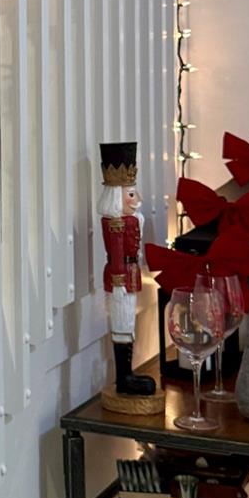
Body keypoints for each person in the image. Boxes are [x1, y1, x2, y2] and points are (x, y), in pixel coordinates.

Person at [100, 141, 155, 396]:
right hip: (122, 280)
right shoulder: (115, 224)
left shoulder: (131, 220)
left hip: (131, 276)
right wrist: (119, 282)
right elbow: (117, 255)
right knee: (122, 324)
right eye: (131, 194)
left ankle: (127, 373)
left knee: (129, 323)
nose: (137, 199)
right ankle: (124, 377)